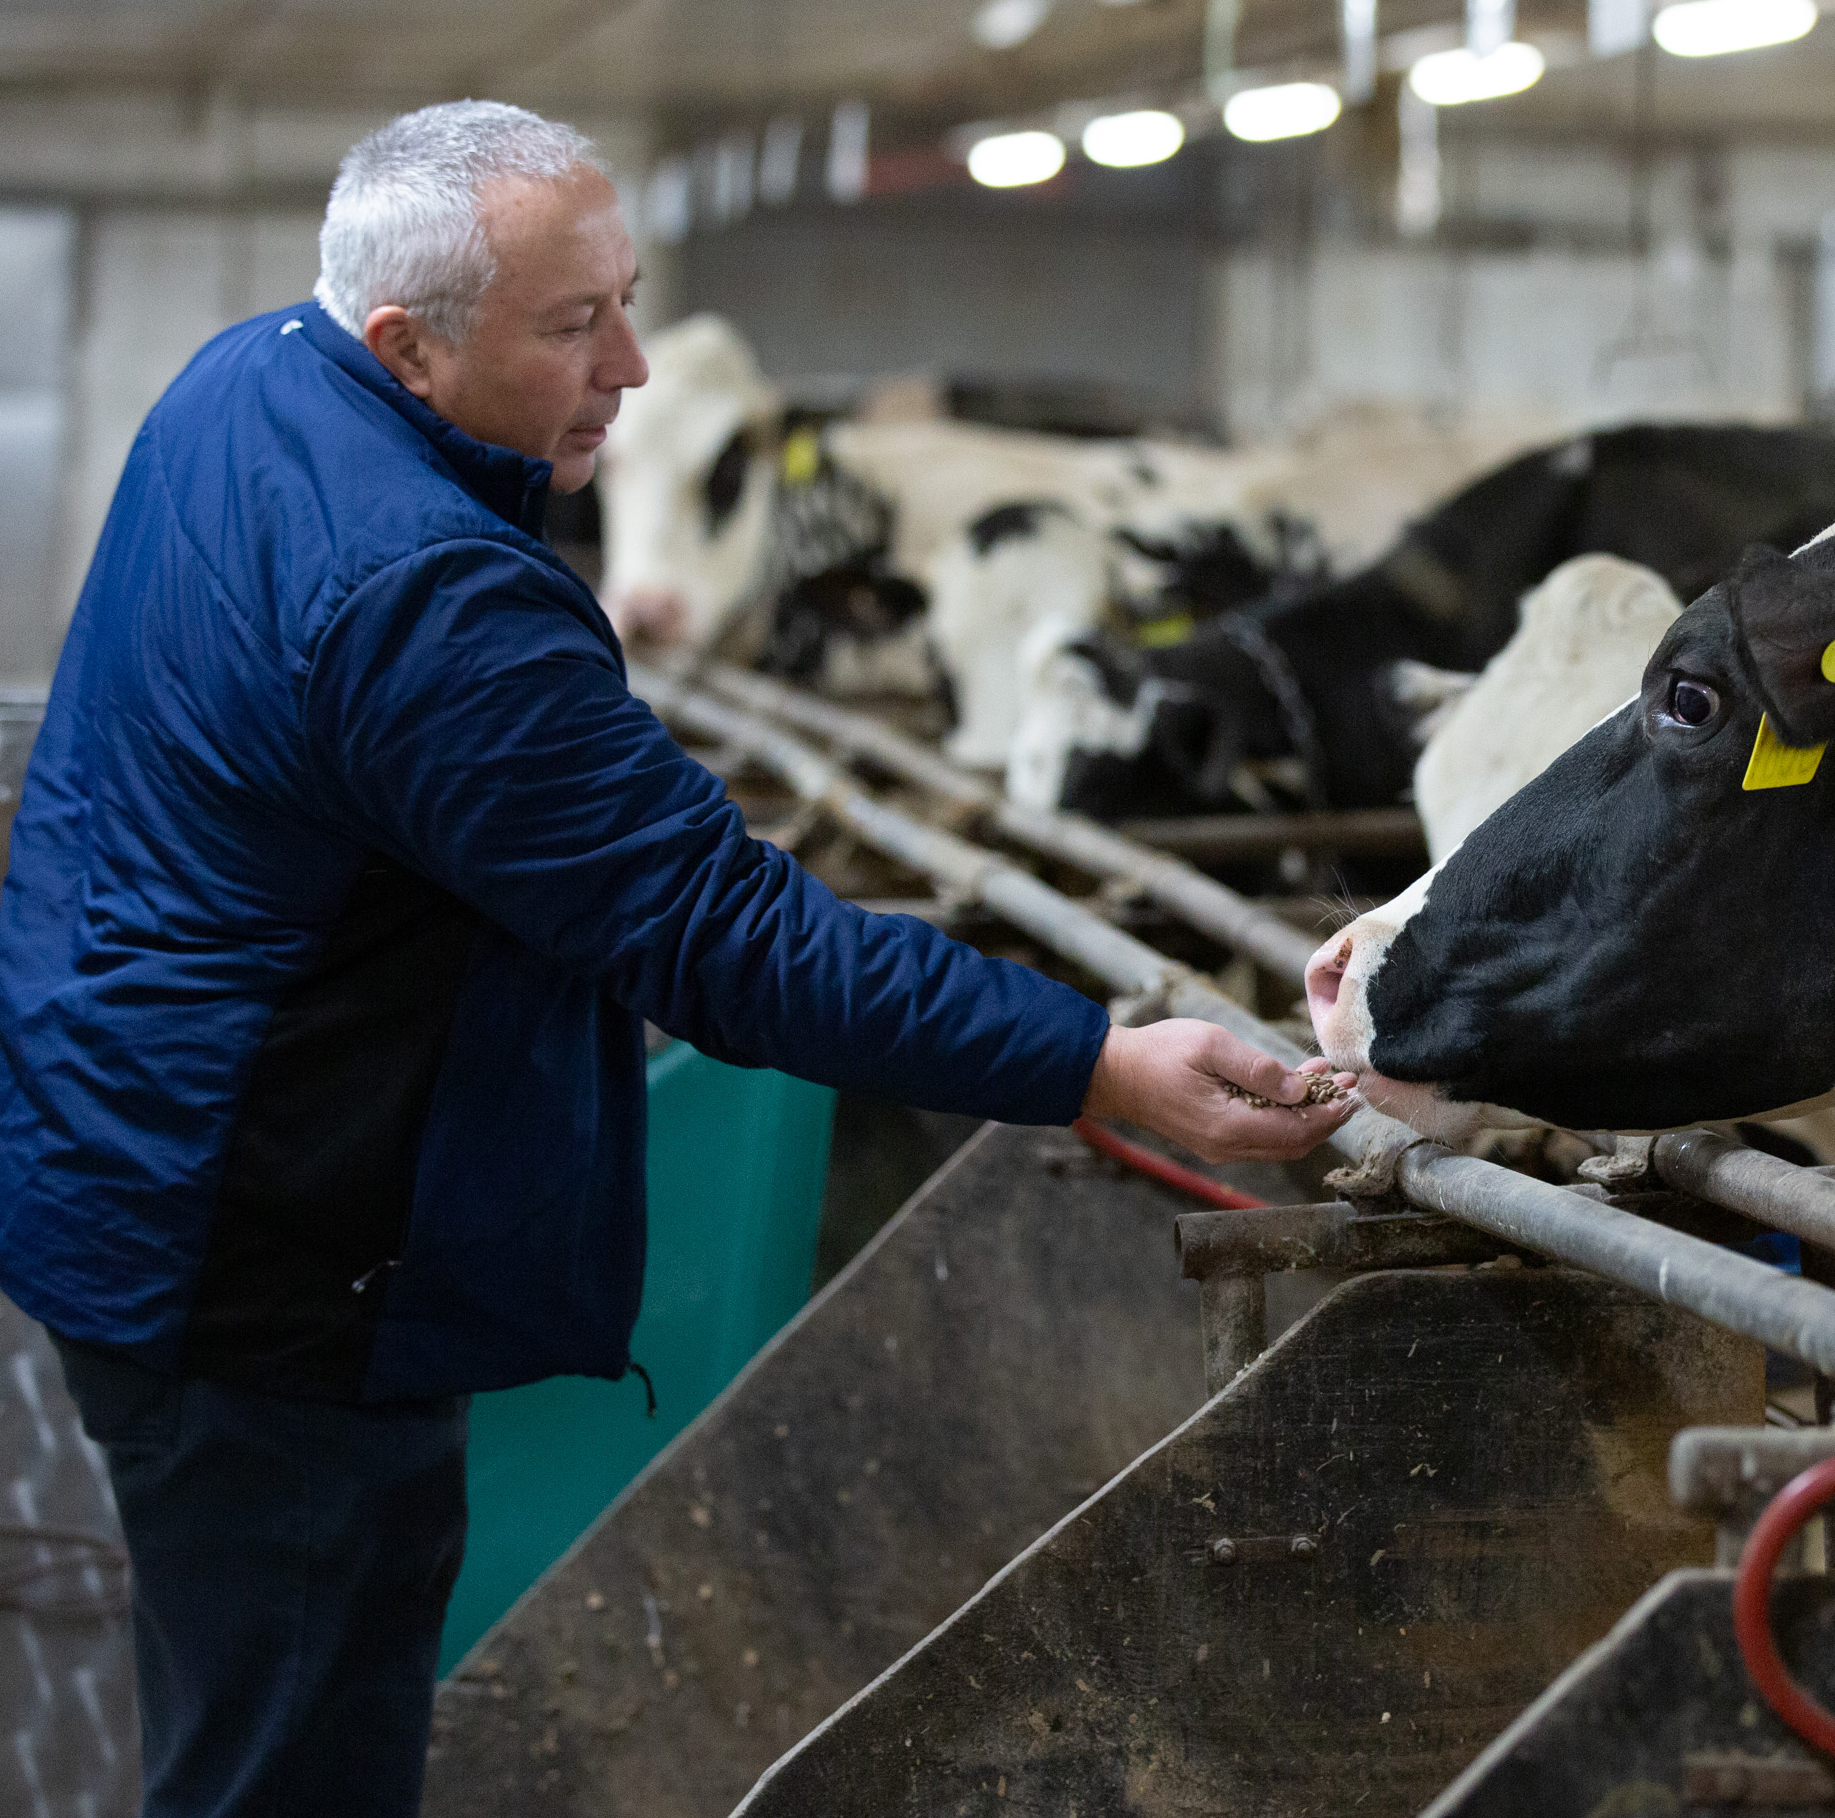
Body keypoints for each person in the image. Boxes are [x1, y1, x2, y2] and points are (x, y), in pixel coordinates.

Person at [0, 101, 1355, 1818]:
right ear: (407, 344)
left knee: (240, 1711)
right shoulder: (426, 602)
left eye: (623, 300)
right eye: (574, 327)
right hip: (265, 1271)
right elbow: (727, 935)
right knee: (289, 1761)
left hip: (130, 1160)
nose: (629, 365)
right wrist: (1093, 1056)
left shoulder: (249, 377)